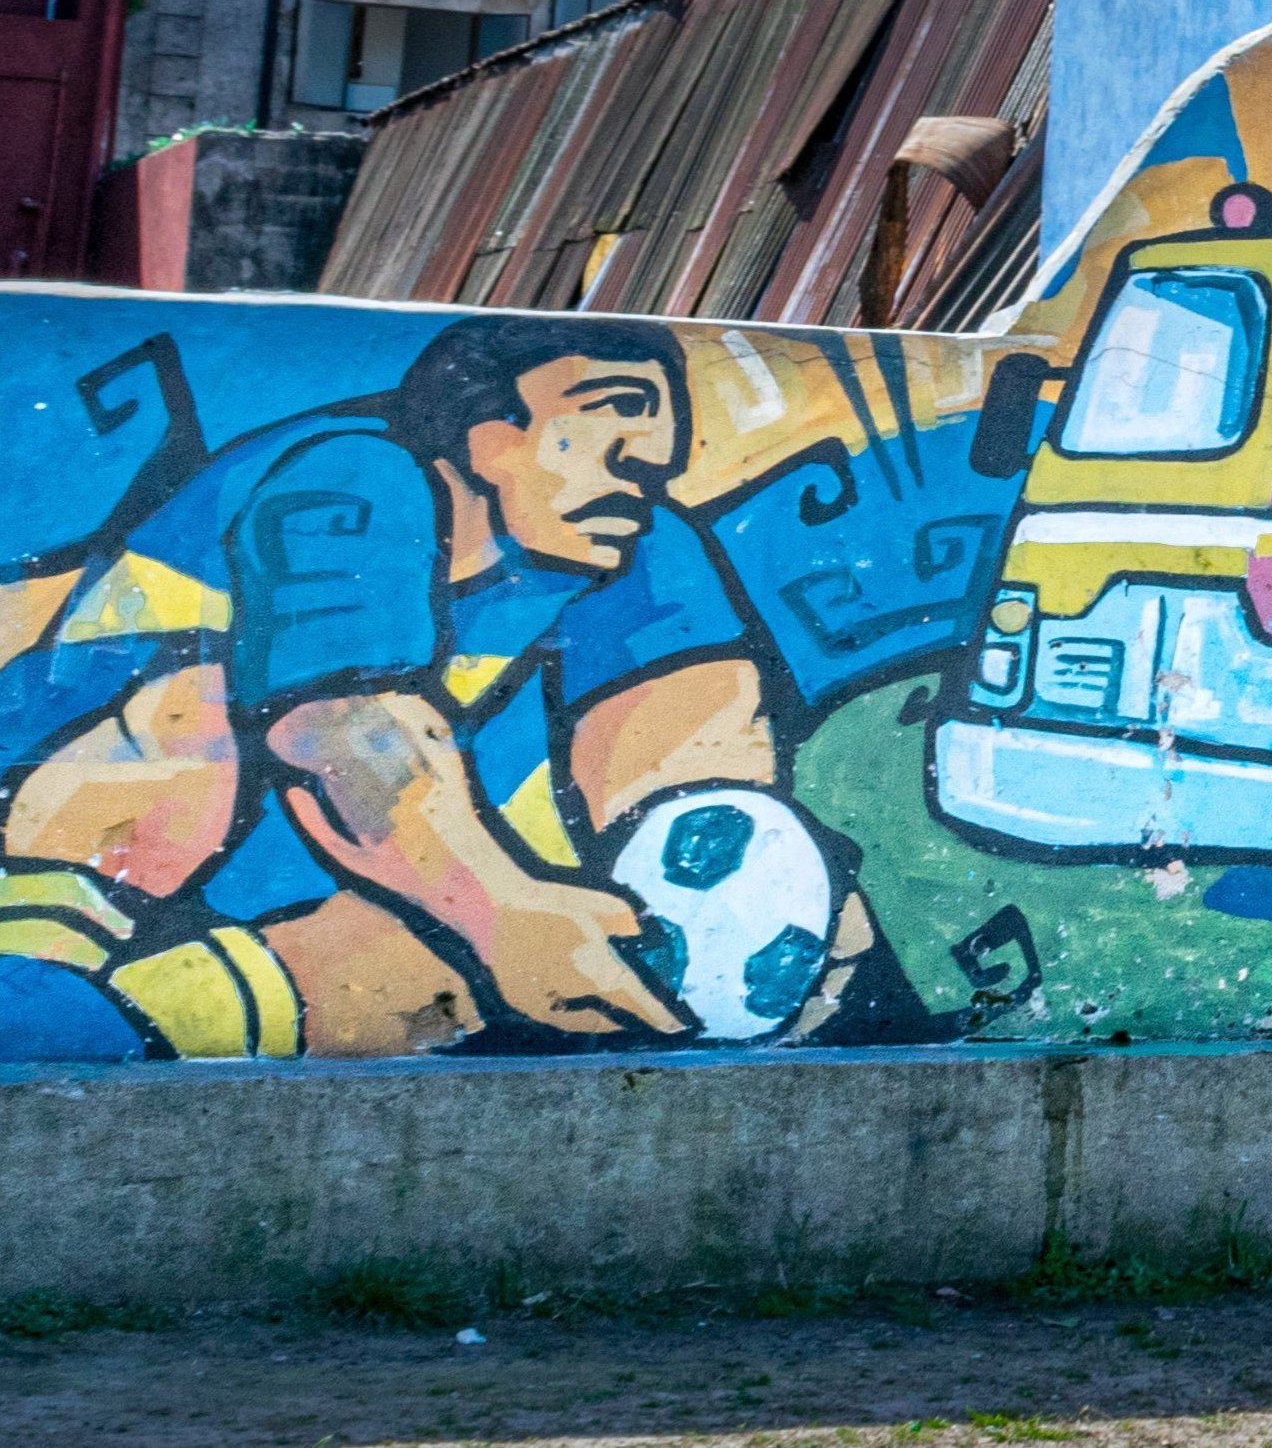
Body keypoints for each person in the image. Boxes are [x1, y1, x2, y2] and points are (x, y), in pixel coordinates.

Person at [0, 315, 874, 1059]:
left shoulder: (635, 538)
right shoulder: (353, 472)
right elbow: (340, 733)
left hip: (318, 856)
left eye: (660, 427)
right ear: (490, 438)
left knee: (434, 964)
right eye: (614, 411)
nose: (653, 453)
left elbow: (694, 755)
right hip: (78, 822)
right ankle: (39, 976)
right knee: (199, 728)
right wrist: (502, 908)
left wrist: (781, 893)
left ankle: (138, 1017)